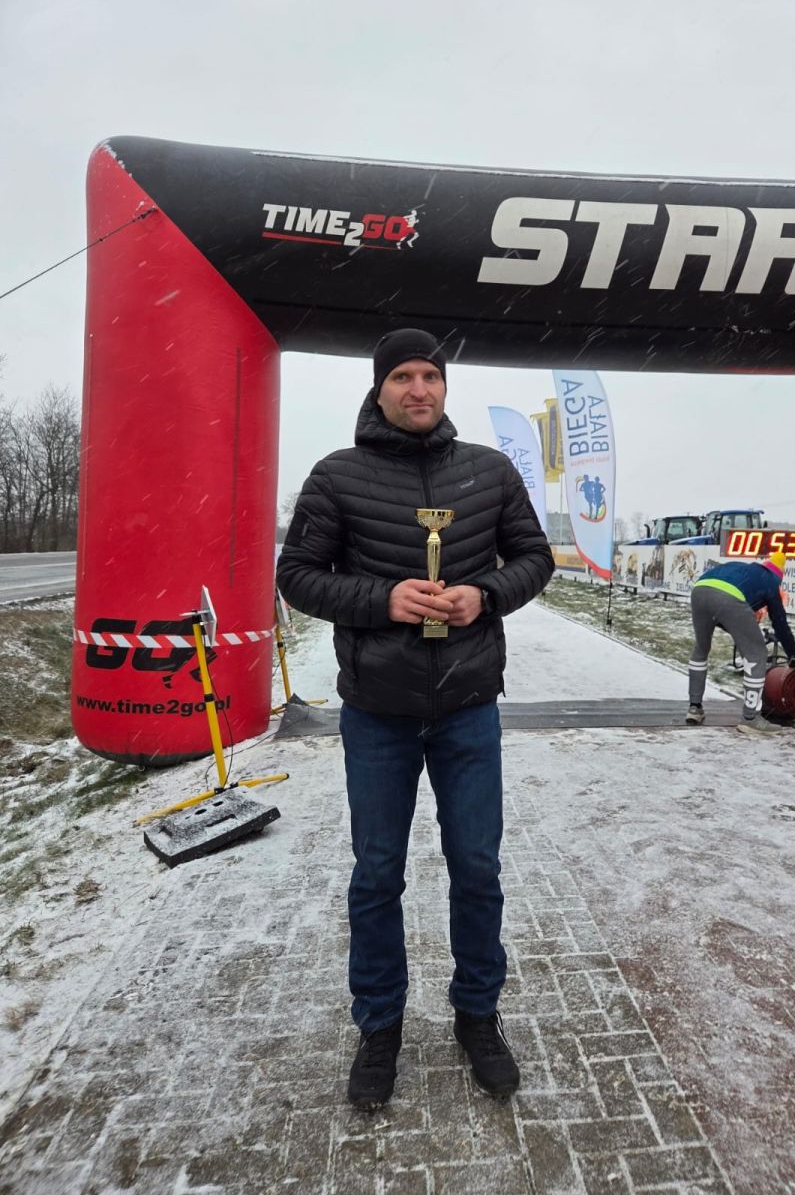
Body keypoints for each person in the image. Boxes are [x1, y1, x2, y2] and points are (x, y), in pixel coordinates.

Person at [277, 327, 554, 1109]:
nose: (418, 389)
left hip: (468, 710)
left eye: (429, 375)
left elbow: (535, 558)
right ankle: (379, 1026)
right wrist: (384, 599)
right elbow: (296, 576)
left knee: (477, 869)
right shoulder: (337, 475)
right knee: (376, 875)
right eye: (401, 376)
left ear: (444, 386)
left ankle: (478, 1014)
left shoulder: (489, 472)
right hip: (378, 713)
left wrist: (485, 595)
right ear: (379, 388)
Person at [686, 550, 795, 734]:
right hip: (729, 597)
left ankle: (694, 708)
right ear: (779, 577)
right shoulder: (771, 582)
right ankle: (751, 718)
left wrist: (737, 628)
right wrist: (793, 656)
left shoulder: (744, 569)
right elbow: (780, 624)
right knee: (757, 654)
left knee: (701, 647)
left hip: (700, 589)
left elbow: (723, 615)